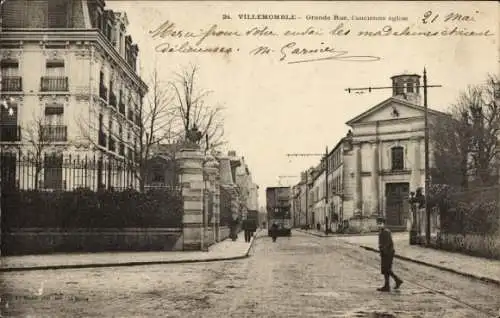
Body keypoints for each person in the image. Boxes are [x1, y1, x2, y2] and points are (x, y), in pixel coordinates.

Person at [377, 216, 403, 292]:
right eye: (378, 223)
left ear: (384, 224)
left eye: (380, 223)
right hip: (384, 253)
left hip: (388, 253)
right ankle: (387, 285)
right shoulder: (381, 231)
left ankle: (397, 280)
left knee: (387, 269)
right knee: (385, 270)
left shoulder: (386, 231)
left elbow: (388, 243)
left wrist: (383, 250)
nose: (379, 225)